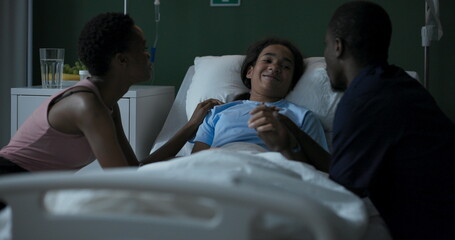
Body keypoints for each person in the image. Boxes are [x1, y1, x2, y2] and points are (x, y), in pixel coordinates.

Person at [251, 1, 455, 239]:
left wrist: (285, 147)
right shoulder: (395, 84)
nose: (324, 58)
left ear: (338, 47)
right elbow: (341, 168)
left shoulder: (362, 102)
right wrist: (293, 131)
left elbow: (340, 197)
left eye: (325, 46)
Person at [0, 12, 219, 174]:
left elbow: (134, 168)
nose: (148, 56)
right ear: (121, 59)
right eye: (142, 48)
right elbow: (122, 180)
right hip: (10, 180)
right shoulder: (87, 106)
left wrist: (191, 125)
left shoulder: (107, 105)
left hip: (28, 190)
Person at [190, 37, 329, 159]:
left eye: (286, 66)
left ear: (292, 83)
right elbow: (195, 162)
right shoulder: (217, 112)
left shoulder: (303, 117)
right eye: (268, 60)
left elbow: (317, 168)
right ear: (250, 71)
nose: (274, 67)